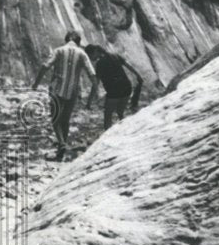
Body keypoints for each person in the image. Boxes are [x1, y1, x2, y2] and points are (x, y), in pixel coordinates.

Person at [32, 29, 97, 160]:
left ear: (67, 40)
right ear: (78, 42)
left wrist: (36, 84)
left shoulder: (58, 50)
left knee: (55, 118)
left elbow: (45, 66)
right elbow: (93, 76)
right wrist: (91, 97)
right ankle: (62, 150)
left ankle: (61, 144)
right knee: (65, 120)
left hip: (57, 88)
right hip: (73, 90)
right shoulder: (82, 53)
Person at [84, 44, 143, 130]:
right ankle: (127, 131)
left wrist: (89, 102)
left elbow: (95, 84)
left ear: (95, 52)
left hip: (114, 90)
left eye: (90, 55)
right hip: (127, 87)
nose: (90, 58)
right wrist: (138, 76)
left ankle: (108, 137)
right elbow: (129, 66)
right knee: (120, 113)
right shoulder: (115, 55)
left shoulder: (100, 63)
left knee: (108, 115)